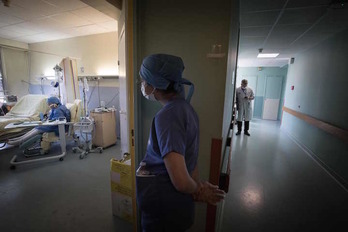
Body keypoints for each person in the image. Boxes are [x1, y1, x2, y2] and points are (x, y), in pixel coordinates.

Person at [136, 54, 225, 232]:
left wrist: (198, 190)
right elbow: (190, 160)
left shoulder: (168, 116)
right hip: (173, 210)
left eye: (144, 80)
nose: (143, 85)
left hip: (164, 214)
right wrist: (197, 186)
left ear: (155, 84)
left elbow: (181, 181)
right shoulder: (185, 108)